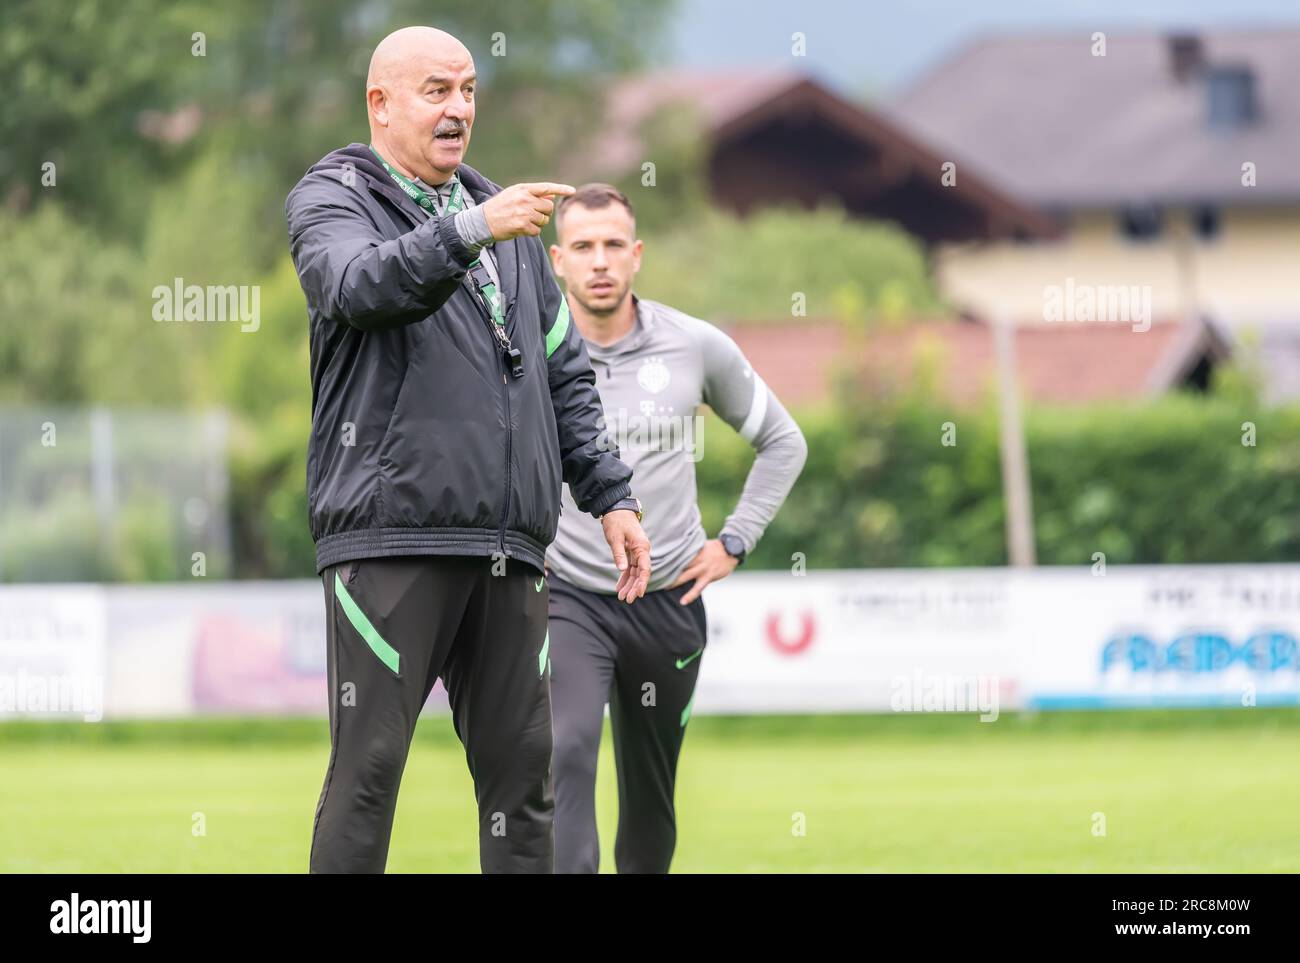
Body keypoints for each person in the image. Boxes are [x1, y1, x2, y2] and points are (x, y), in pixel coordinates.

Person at [284, 28, 651, 874]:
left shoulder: (510, 223)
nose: (459, 109)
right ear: (380, 104)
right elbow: (357, 288)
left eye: (470, 90)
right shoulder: (334, 196)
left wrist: (611, 495)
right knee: (369, 775)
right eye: (436, 90)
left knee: (528, 787)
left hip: (509, 549)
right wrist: (471, 230)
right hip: (391, 538)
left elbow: (564, 376)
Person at [544, 184, 807, 873]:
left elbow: (785, 442)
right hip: (568, 596)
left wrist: (734, 542)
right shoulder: (531, 353)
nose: (598, 261)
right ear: (556, 262)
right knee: (565, 748)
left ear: (635, 256)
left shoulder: (695, 345)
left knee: (650, 790)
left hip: (669, 601)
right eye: (582, 247)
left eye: (611, 246)